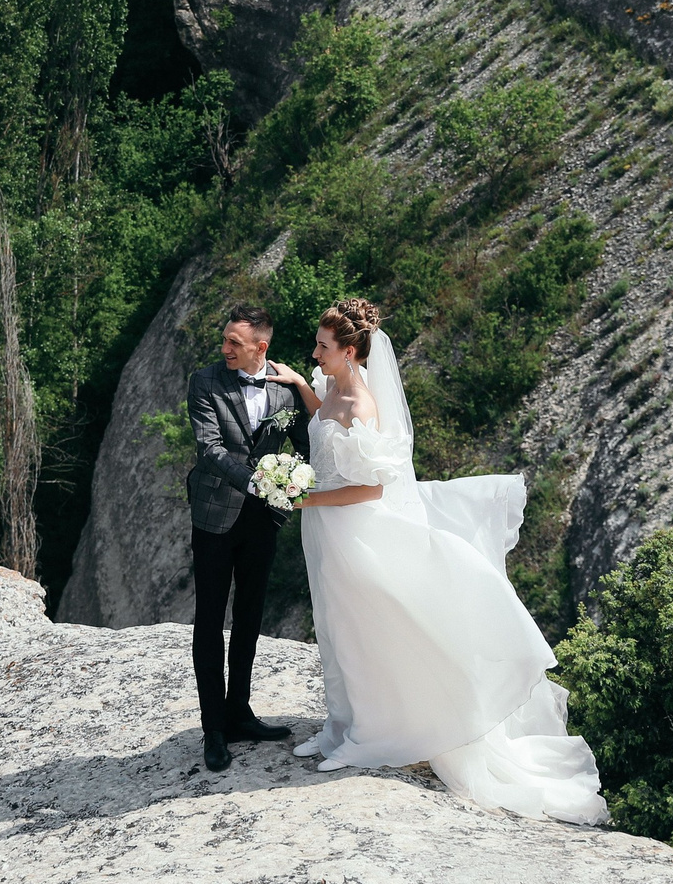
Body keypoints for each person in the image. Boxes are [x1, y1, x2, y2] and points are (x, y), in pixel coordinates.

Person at [282, 297, 608, 824]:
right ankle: (337, 727)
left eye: (322, 347)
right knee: (332, 624)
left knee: (359, 629)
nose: (314, 353)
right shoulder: (331, 389)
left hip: (352, 529)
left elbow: (366, 488)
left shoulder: (361, 402)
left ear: (348, 351)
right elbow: (327, 431)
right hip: (326, 526)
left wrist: (303, 498)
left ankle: (364, 737)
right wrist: (301, 386)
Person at [183, 306, 312, 773]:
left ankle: (240, 713)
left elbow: (306, 440)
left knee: (250, 616)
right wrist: (259, 484)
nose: (225, 349)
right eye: (224, 340)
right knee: (210, 620)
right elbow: (210, 449)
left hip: (263, 521)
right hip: (215, 515)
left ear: (261, 347)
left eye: (234, 342)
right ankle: (213, 729)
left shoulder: (285, 387)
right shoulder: (205, 381)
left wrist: (302, 481)